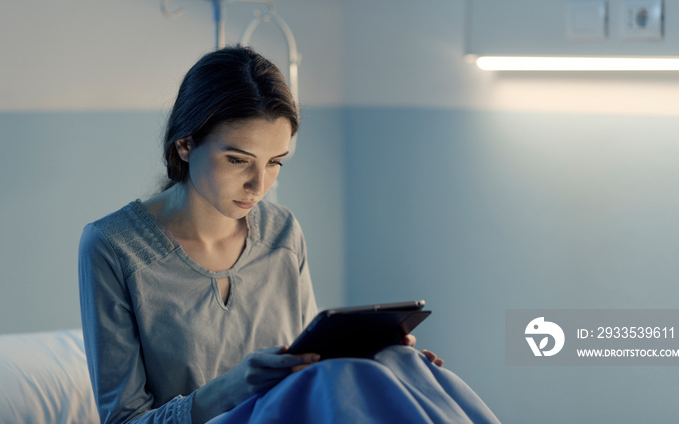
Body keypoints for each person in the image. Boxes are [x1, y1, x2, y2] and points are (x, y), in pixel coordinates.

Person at [79, 45, 500, 424]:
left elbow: (312, 364)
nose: (259, 185)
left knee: (402, 365)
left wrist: (373, 356)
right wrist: (231, 388)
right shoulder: (114, 247)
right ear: (185, 145)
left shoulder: (281, 231)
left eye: (276, 162)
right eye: (238, 160)